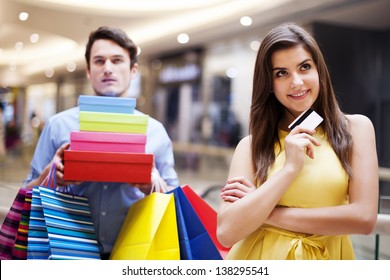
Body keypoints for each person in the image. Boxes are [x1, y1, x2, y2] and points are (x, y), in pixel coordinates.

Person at [217, 23, 378, 260]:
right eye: (281, 73)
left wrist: (264, 211)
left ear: (319, 72)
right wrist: (289, 169)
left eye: (304, 67)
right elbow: (226, 233)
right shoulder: (251, 146)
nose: (297, 82)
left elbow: (363, 219)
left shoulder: (355, 129)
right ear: (269, 84)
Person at [24, 26, 179, 259]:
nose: (108, 68)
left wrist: (151, 185)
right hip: (66, 251)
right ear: (88, 71)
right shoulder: (58, 125)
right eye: (99, 61)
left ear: (134, 69)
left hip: (133, 251)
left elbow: (175, 204)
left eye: (117, 60)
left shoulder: (156, 132)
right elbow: (26, 194)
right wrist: (51, 175)